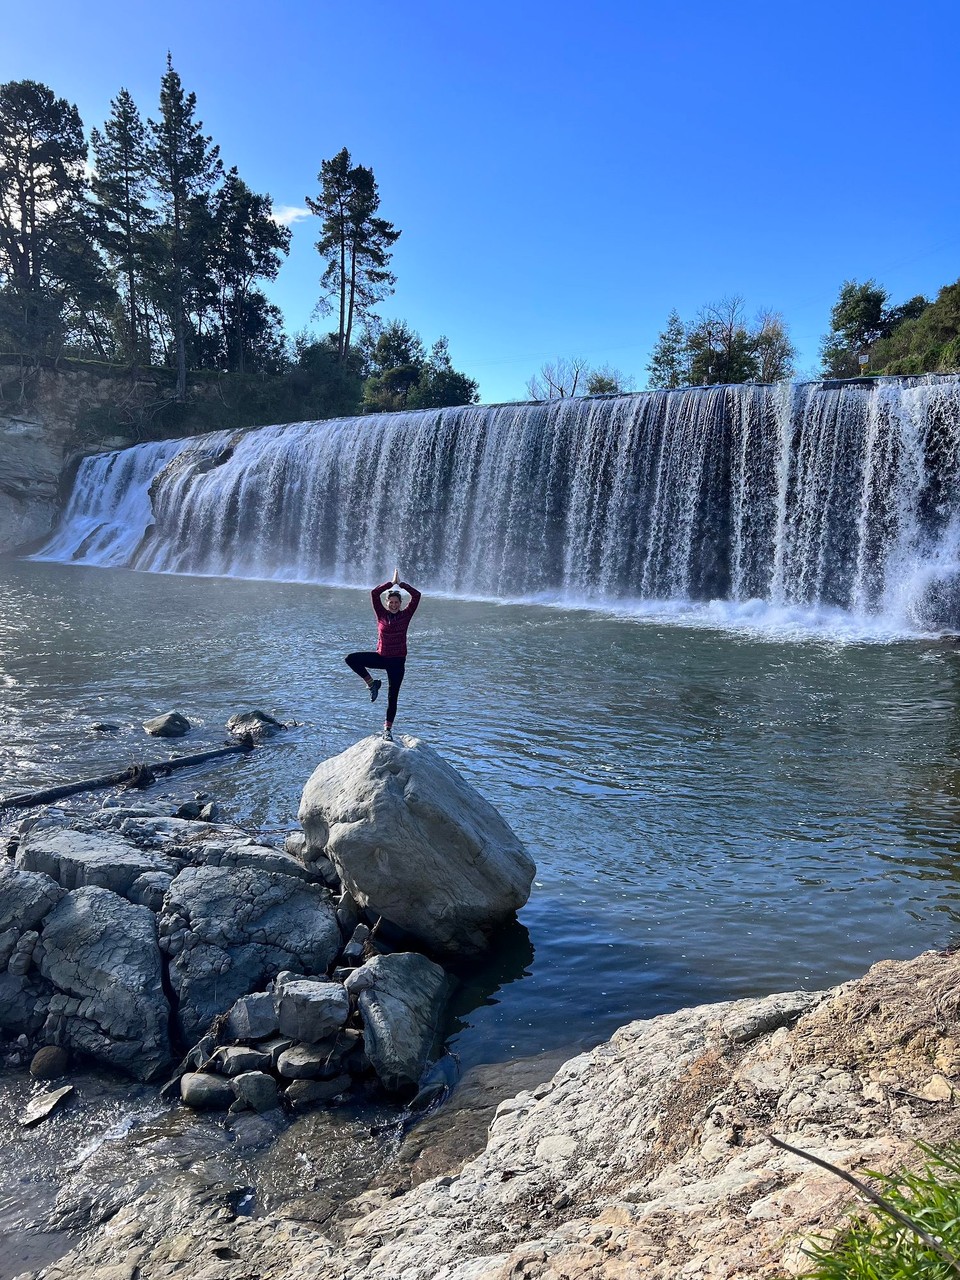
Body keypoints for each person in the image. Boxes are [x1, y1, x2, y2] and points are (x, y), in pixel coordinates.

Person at [345, 568, 422, 741]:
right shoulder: (381, 614)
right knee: (351, 659)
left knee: (392, 696)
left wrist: (401, 584)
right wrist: (391, 583)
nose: (394, 605)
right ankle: (372, 683)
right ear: (387, 603)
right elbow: (374, 593)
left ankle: (387, 730)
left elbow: (417, 596)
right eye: (391, 602)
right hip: (381, 657)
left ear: (400, 603)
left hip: (397, 662)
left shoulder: (405, 615)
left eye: (396, 602)